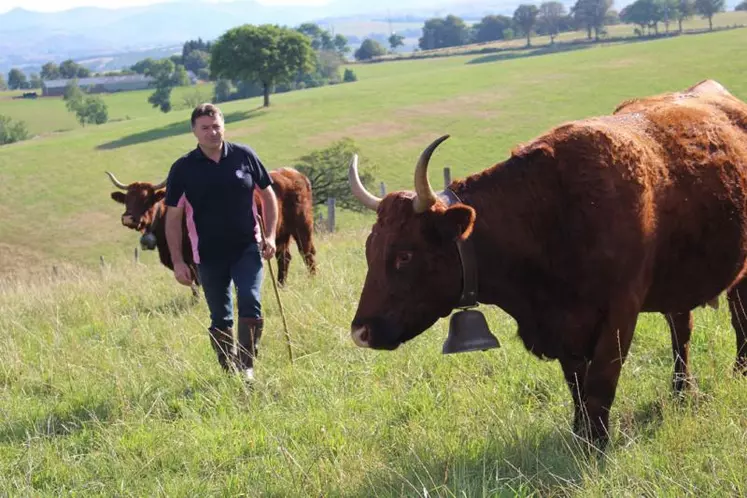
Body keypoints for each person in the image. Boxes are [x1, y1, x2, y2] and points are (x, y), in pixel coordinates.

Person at [164, 103, 278, 381]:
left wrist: (271, 235)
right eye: (205, 128)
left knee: (250, 300)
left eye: (216, 126)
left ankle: (247, 366)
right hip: (208, 255)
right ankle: (230, 371)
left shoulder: (244, 156)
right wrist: (178, 261)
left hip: (247, 248)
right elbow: (172, 219)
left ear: (223, 126)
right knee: (220, 317)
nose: (212, 132)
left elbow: (268, 195)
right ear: (194, 131)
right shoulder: (182, 169)